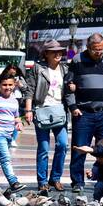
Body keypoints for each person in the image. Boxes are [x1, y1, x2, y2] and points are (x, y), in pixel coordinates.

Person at [65, 33, 103, 191]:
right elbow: (68, 85)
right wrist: (73, 107)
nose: (99, 52)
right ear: (88, 48)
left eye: (102, 49)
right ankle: (77, 182)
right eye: (96, 50)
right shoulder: (77, 60)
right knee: (79, 149)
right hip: (83, 113)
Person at [23, 39, 71, 191]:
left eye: (60, 51)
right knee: (43, 147)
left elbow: (69, 89)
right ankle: (42, 181)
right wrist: (29, 110)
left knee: (63, 144)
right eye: (53, 51)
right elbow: (29, 89)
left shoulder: (65, 69)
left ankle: (55, 178)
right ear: (46, 54)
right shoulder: (38, 68)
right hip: (42, 110)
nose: (58, 54)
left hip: (60, 110)